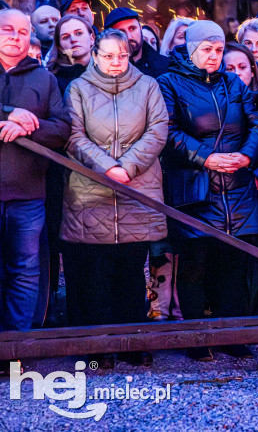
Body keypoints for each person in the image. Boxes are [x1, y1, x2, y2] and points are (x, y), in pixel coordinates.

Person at [159, 20, 258, 361]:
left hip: (236, 187)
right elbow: (169, 131)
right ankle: (196, 338)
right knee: (195, 265)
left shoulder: (234, 83)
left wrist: (246, 155)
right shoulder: (169, 83)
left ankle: (231, 335)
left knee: (233, 266)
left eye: (219, 50)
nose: (214, 57)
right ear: (191, 49)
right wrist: (206, 157)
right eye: (207, 49)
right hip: (197, 189)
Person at [62, 29, 168, 369]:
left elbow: (158, 128)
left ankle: (132, 343)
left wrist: (129, 166)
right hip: (92, 189)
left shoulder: (148, 86)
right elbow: (74, 136)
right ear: (95, 55)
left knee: (131, 269)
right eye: (107, 55)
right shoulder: (78, 88)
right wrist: (108, 167)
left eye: (121, 55)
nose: (115, 62)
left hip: (137, 188)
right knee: (95, 272)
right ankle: (98, 346)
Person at [0, 9, 72, 332]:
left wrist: (28, 127)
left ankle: (15, 344)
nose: (16, 37)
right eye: (7, 30)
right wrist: (9, 114)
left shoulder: (45, 79)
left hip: (28, 195)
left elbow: (61, 130)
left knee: (25, 271)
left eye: (23, 31)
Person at [104, 7, 170, 78]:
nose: (129, 36)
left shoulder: (166, 68)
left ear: (140, 29)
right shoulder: (102, 72)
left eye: (132, 29)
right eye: (121, 32)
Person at [47, 15, 95, 94]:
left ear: (92, 38)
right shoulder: (54, 82)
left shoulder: (112, 68)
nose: (73, 40)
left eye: (78, 33)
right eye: (65, 37)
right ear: (60, 47)